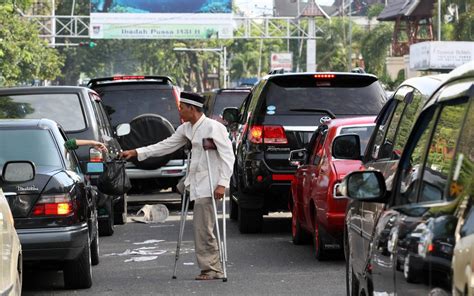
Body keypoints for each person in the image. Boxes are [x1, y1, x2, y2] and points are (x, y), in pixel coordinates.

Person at [120, 91, 235, 280]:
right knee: (201, 226)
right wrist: (136, 152)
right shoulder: (186, 129)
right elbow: (165, 145)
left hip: (210, 184)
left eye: (182, 107)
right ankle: (210, 266)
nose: (179, 110)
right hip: (194, 181)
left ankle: (212, 268)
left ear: (192, 109)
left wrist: (222, 184)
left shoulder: (214, 128)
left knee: (202, 227)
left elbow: (228, 157)